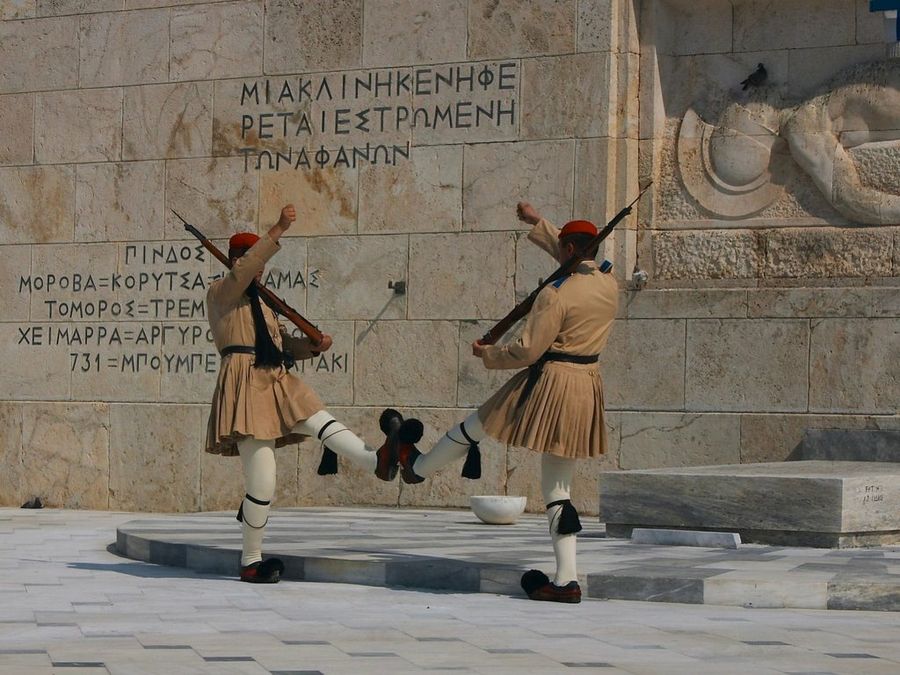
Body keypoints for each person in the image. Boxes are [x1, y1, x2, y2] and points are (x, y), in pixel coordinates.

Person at [374, 202, 619, 603]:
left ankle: (416, 466)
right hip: (586, 385)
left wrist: (488, 354)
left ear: (570, 251)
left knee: (478, 425)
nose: (558, 253)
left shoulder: (554, 296)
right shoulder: (609, 284)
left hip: (549, 383)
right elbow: (576, 260)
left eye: (561, 247)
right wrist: (539, 224)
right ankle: (567, 579)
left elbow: (526, 351)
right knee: (559, 486)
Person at [205, 204, 401, 583]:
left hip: (276, 378)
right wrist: (277, 229)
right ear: (235, 261)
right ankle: (251, 560)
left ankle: (376, 460)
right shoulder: (221, 293)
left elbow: (278, 344)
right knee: (263, 482)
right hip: (245, 383)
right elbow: (241, 275)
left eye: (260, 262)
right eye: (251, 260)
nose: (258, 268)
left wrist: (310, 346)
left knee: (321, 420)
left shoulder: (261, 302)